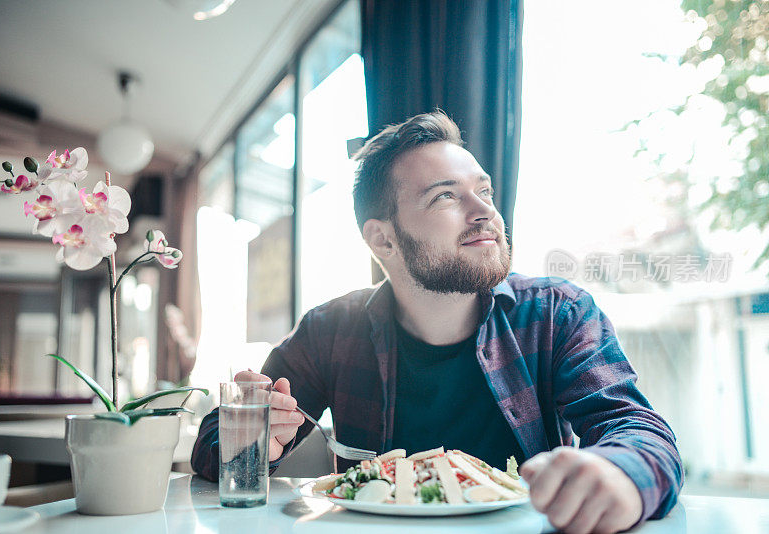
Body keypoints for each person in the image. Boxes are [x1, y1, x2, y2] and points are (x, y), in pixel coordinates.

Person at [192, 111, 683, 533]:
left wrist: (621, 473)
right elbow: (216, 446)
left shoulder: (557, 313)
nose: (485, 211)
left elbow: (635, 427)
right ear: (383, 241)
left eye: (484, 190)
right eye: (446, 197)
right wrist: (253, 440)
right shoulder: (328, 332)